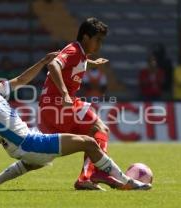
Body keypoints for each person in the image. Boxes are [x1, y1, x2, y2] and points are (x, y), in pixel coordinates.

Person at [0, 53, 151, 191]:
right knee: (89, 142)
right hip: (28, 142)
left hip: (25, 144)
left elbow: (20, 80)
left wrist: (42, 62)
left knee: (36, 161)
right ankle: (126, 182)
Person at [38, 17, 119, 190]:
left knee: (96, 133)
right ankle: (94, 173)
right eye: (97, 40)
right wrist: (65, 94)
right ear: (85, 37)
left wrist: (91, 63)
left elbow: (75, 63)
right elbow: (53, 65)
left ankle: (87, 177)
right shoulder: (74, 49)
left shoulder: (80, 54)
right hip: (59, 104)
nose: (100, 45)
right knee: (99, 130)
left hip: (52, 107)